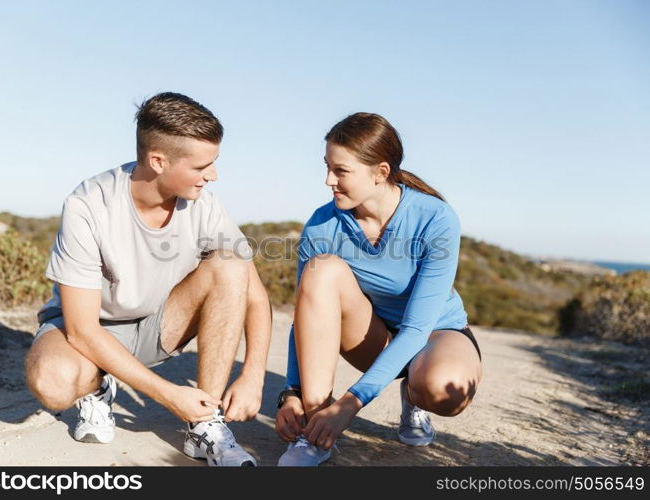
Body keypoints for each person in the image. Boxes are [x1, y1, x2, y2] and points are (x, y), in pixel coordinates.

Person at [25, 92, 272, 467]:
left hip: (158, 324)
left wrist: (253, 375)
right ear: (158, 161)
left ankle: (204, 424)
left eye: (214, 163)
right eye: (202, 166)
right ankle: (97, 387)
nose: (213, 175)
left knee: (231, 263)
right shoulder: (88, 205)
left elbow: (254, 294)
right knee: (53, 383)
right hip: (91, 330)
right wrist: (169, 394)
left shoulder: (204, 204)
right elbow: (81, 331)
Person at [275, 112, 482, 466]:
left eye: (341, 171)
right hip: (374, 335)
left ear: (380, 172)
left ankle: (414, 396)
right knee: (321, 270)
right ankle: (315, 431)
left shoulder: (435, 217)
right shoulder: (321, 226)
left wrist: (351, 403)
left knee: (440, 390)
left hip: (434, 332)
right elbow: (304, 319)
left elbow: (417, 328)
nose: (328, 180)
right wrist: (290, 393)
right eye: (327, 167)